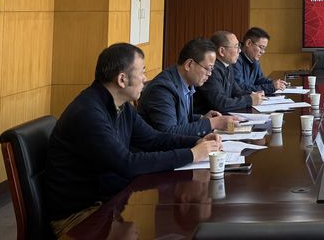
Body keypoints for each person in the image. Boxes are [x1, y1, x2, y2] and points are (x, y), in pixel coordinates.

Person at [45, 43, 222, 236]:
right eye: (142, 72)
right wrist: (192, 154)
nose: (145, 79)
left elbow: (153, 139)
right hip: (80, 216)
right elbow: (126, 163)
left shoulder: (122, 105)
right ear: (122, 79)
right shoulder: (89, 113)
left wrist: (196, 142)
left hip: (110, 202)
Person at [138, 37, 238, 136]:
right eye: (208, 68)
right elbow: (168, 133)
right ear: (189, 64)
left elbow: (180, 120)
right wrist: (213, 123)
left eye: (212, 69)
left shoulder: (185, 82)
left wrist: (202, 119)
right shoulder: (162, 89)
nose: (210, 74)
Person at [193, 30, 264, 114]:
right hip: (206, 117)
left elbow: (236, 91)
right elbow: (220, 104)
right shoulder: (212, 70)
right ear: (222, 51)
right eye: (236, 46)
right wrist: (249, 100)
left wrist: (253, 95)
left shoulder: (228, 65)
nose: (239, 50)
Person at [233, 27, 287, 94]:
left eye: (264, 49)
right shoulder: (234, 59)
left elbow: (259, 79)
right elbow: (241, 88)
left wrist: (273, 82)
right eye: (261, 47)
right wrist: (271, 87)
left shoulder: (254, 58)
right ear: (248, 43)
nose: (263, 52)